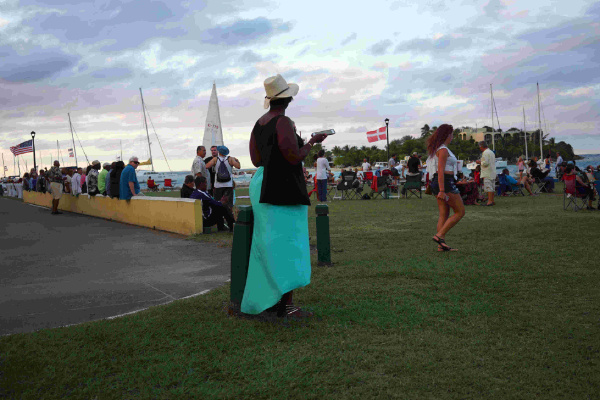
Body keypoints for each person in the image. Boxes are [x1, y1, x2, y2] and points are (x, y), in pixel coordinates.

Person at [245, 73, 327, 318]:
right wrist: (312, 141)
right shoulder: (283, 122)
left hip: (262, 183)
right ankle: (286, 304)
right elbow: (293, 157)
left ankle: (268, 299)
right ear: (288, 99)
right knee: (289, 244)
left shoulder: (258, 123)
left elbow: (256, 159)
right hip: (283, 186)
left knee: (267, 244)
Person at [428, 124, 465, 251]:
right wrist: (442, 190)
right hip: (445, 183)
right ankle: (439, 236)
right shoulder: (443, 150)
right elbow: (441, 171)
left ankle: (441, 245)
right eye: (452, 134)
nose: (452, 137)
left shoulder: (438, 149)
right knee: (460, 211)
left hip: (440, 182)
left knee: (444, 214)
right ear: (447, 135)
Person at [208, 145, 240, 211]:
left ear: (219, 151)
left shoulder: (215, 159)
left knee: (217, 204)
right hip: (228, 185)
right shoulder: (230, 159)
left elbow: (207, 166)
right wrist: (237, 160)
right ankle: (229, 218)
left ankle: (219, 218)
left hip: (218, 185)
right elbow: (238, 166)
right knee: (229, 204)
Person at [476, 141, 496, 206]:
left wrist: (479, 162)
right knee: (492, 187)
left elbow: (485, 163)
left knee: (488, 187)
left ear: (481, 146)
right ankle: (492, 200)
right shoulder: (491, 152)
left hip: (487, 172)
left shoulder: (485, 153)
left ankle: (489, 201)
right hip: (492, 171)